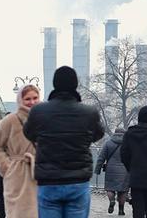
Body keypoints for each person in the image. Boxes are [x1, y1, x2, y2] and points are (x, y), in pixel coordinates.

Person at [22, 66, 102, 218]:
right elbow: (98, 134)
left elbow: (29, 133)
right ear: (75, 84)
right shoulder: (89, 112)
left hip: (49, 181)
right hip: (78, 180)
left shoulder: (39, 112)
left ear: (54, 84)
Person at [0, 85, 37, 218]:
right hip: (17, 173)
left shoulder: (43, 119)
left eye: (35, 98)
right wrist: (6, 166)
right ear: (20, 100)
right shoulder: (10, 121)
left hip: (39, 173)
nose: (32, 102)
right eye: (27, 98)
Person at [122, 109, 147, 218]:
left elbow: (124, 154)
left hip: (136, 176)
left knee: (137, 208)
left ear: (139, 118)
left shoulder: (129, 134)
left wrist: (131, 168)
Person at [97, 128, 129, 215]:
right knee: (123, 190)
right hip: (125, 170)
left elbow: (101, 157)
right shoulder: (128, 144)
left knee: (110, 188)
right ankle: (121, 210)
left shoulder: (108, 143)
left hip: (111, 169)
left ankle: (112, 201)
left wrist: (97, 169)